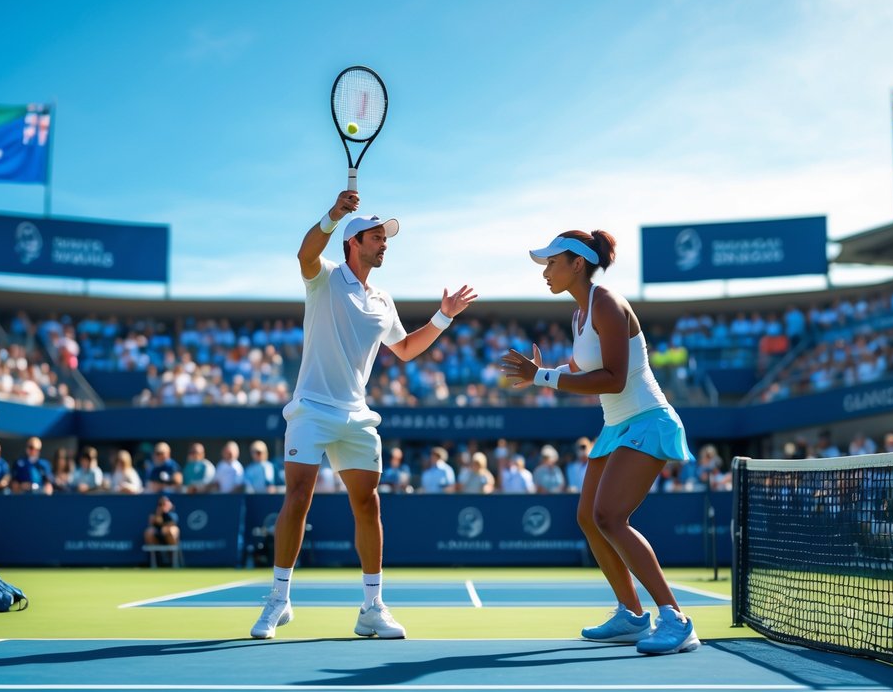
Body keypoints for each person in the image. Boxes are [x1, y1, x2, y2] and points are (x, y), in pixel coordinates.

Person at [251, 190, 476, 641]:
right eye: (377, 236)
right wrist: (333, 214)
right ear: (353, 242)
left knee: (367, 504)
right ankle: (279, 599)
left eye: (385, 237)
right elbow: (305, 252)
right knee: (298, 496)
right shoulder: (325, 278)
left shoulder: (384, 301)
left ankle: (372, 607)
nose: (384, 243)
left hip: (356, 415)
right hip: (312, 408)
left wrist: (443, 317)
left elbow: (407, 349)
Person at [502, 230, 699, 655]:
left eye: (552, 263)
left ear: (577, 263)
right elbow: (578, 366)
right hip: (616, 427)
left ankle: (676, 620)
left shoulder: (607, 302)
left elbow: (611, 376)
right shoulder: (579, 316)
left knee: (610, 517)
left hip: (647, 420)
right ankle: (631, 615)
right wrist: (539, 374)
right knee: (589, 519)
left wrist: (543, 377)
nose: (545, 272)